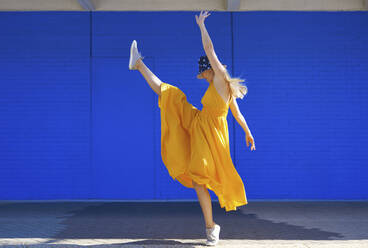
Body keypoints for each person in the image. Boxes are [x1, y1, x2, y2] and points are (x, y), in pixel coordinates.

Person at [128, 10, 256, 246]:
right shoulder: (219, 86)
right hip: (200, 122)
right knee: (171, 95)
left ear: (209, 69)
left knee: (200, 179)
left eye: (203, 71)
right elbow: (237, 113)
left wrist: (201, 26)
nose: (203, 75)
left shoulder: (219, 77)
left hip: (212, 134)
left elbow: (210, 50)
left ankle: (211, 228)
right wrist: (248, 132)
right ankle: (138, 64)